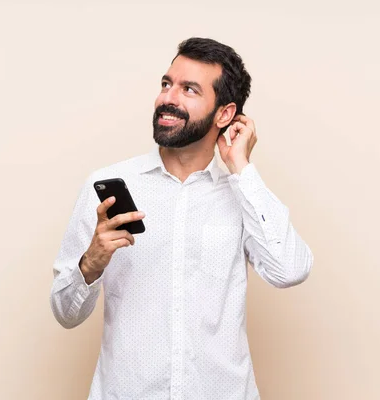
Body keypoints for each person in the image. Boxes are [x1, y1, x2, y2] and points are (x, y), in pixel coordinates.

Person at [50, 37, 314, 400]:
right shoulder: (108, 186)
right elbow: (65, 313)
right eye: (166, 84)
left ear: (224, 114)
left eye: (189, 89)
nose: (167, 98)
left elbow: (290, 270)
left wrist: (241, 167)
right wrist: (90, 264)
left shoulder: (241, 195)